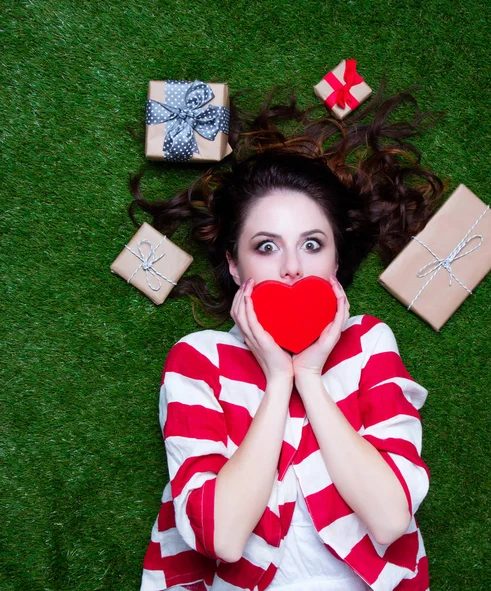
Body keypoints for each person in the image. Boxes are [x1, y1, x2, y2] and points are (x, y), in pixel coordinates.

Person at [131, 84, 446, 591]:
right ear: (235, 264)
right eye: (266, 246)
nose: (293, 267)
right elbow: (223, 538)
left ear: (335, 262)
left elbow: (390, 519)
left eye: (312, 244)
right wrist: (279, 379)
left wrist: (313, 379)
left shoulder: (369, 343)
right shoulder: (198, 359)